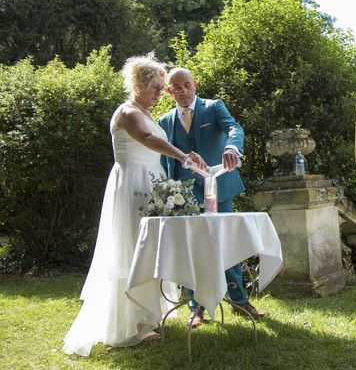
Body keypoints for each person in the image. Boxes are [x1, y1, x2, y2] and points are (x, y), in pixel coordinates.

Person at [63, 55, 206, 356]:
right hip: (132, 186)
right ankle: (129, 324)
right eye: (155, 87)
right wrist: (183, 157)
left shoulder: (148, 112)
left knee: (152, 249)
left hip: (153, 184)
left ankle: (148, 316)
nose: (159, 94)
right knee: (132, 249)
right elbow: (144, 139)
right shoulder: (128, 112)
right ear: (139, 84)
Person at [159, 67, 265, 326]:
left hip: (220, 189)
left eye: (187, 85)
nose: (183, 91)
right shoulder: (164, 121)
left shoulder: (214, 106)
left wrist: (231, 147)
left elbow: (234, 128)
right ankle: (197, 308)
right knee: (192, 248)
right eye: (177, 87)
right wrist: (168, 191)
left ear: (194, 84)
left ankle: (240, 300)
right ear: (169, 91)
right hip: (184, 196)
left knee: (226, 242)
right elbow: (164, 160)